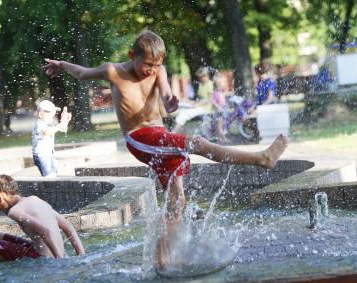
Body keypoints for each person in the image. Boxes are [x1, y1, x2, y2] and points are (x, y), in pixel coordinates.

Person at [43, 30, 288, 271]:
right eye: (146, 64)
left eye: (156, 65)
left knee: (176, 198)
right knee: (197, 143)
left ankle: (163, 260)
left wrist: (170, 100)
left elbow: (167, 93)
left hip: (160, 137)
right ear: (132, 55)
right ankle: (262, 158)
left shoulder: (158, 70)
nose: (150, 70)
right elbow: (82, 73)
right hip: (139, 137)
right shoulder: (113, 71)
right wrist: (62, 64)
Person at [0, 174, 85, 265]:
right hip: (50, 253)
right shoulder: (35, 200)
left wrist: (60, 261)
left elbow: (45, 231)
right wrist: (81, 256)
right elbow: (67, 225)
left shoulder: (15, 211)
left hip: (42, 258)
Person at [32, 100, 72, 177]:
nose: (52, 116)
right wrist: (60, 125)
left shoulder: (49, 124)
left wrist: (65, 121)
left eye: (53, 114)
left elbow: (61, 129)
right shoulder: (39, 124)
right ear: (41, 114)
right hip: (41, 155)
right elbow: (47, 132)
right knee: (48, 176)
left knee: (54, 172)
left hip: (49, 153)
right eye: (50, 114)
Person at [171, 67, 214, 133]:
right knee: (181, 109)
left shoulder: (210, 84)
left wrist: (196, 104)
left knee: (185, 113)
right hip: (200, 106)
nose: (199, 79)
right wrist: (189, 101)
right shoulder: (201, 85)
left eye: (200, 77)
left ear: (205, 76)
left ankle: (174, 132)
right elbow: (200, 99)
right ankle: (180, 133)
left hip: (206, 108)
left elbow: (209, 99)